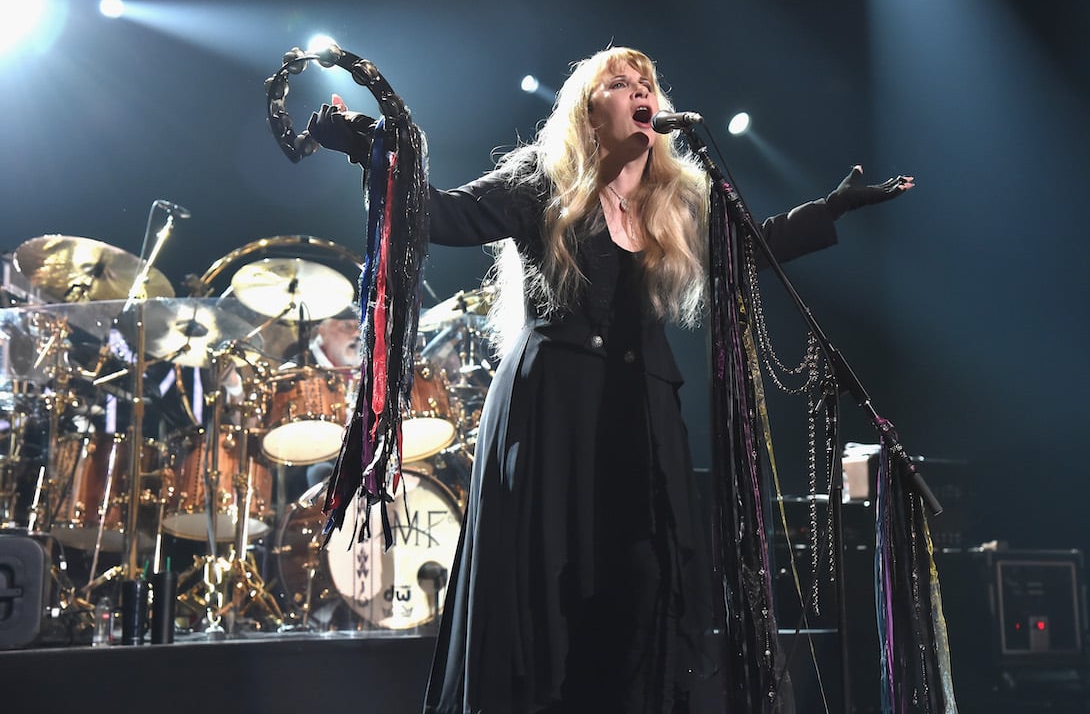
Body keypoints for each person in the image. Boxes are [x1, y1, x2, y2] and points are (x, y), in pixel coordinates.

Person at [308, 46, 912, 714]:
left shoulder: (673, 201)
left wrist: (831, 208)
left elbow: (747, 246)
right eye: (620, 83)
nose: (639, 91)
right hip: (553, 414)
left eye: (645, 82)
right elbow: (444, 215)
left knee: (646, 584)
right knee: (551, 590)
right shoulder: (540, 181)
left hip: (645, 416)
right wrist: (374, 155)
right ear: (589, 111)